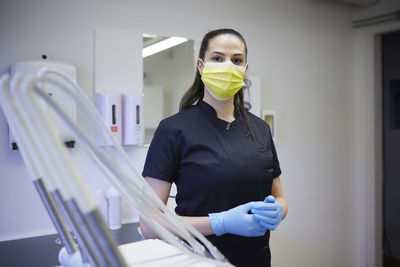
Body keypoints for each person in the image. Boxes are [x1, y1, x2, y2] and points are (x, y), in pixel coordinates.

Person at [139, 28, 288, 267]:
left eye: (236, 60)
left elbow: (279, 196)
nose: (227, 65)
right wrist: (220, 222)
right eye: (217, 58)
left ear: (245, 70)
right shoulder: (173, 130)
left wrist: (279, 209)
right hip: (200, 260)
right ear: (201, 66)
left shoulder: (260, 129)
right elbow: (149, 224)